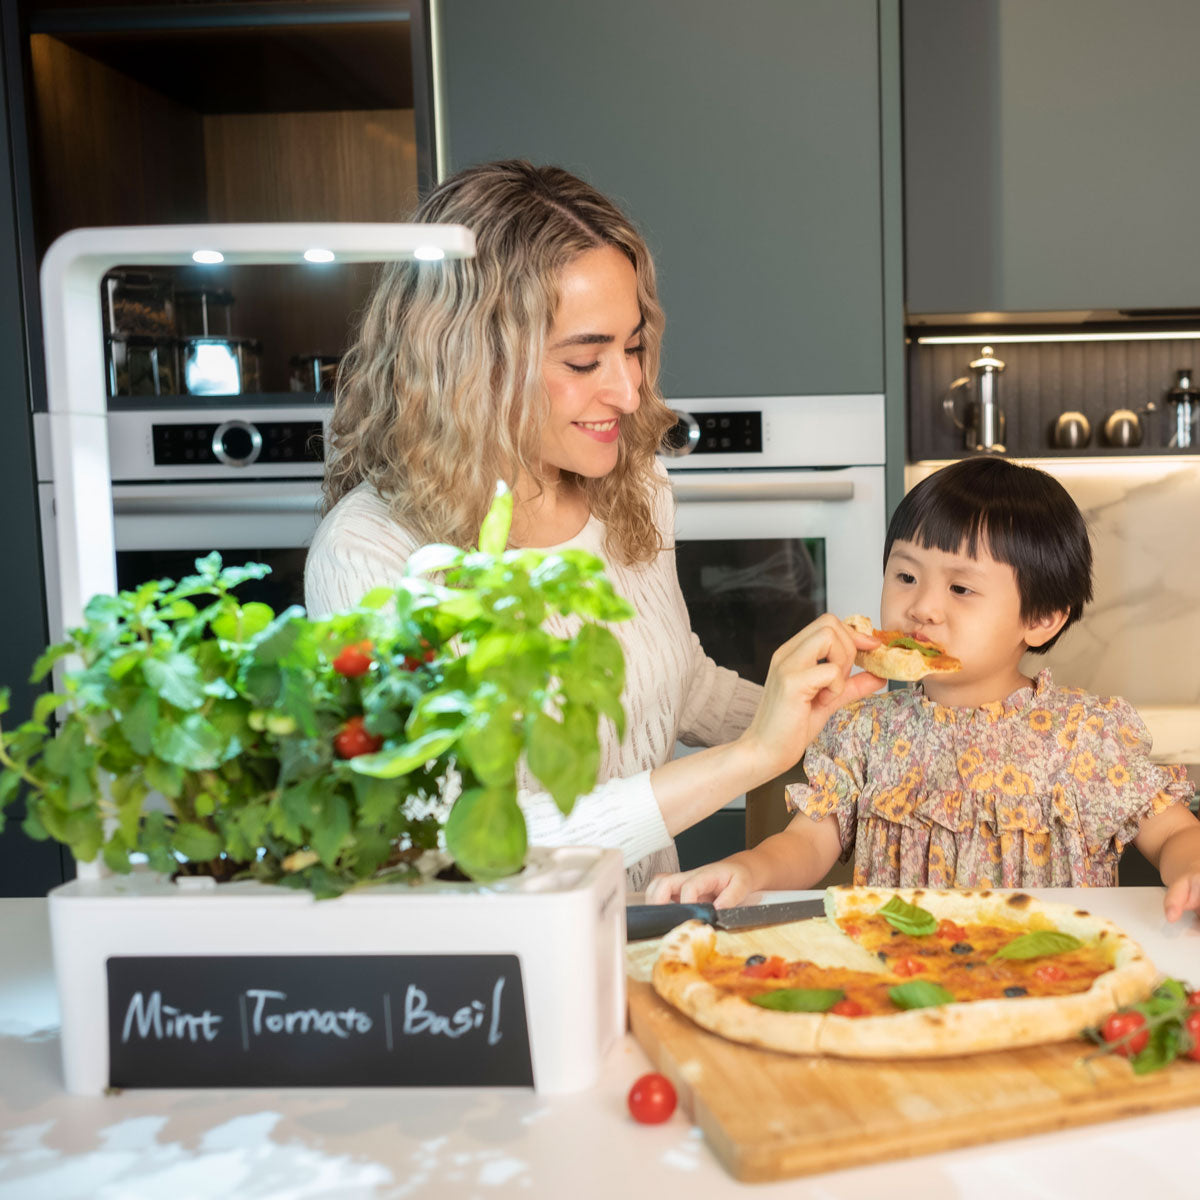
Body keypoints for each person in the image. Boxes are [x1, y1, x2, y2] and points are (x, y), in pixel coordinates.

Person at [304, 160, 883, 891]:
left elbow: (673, 678)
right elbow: (464, 841)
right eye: (586, 359)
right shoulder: (371, 553)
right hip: (497, 971)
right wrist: (751, 757)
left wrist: (853, 721)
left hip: (644, 934)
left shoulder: (633, 484)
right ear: (470, 362)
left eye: (633, 347)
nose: (629, 388)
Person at [646, 457, 1200, 921]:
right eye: (905, 576)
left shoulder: (1086, 735)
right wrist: (747, 868)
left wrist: (1192, 869)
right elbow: (805, 844)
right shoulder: (863, 727)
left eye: (960, 587)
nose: (922, 607)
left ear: (1041, 619)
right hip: (899, 974)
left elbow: (1174, 835)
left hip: (1050, 971)